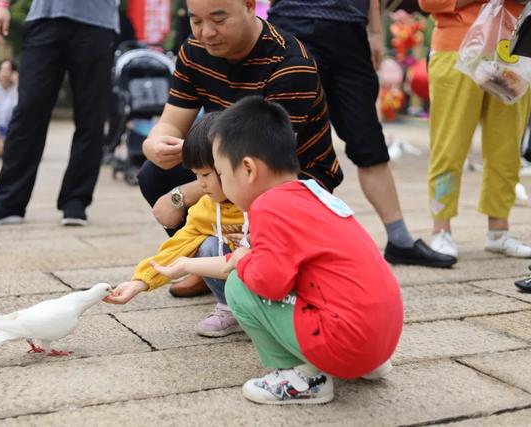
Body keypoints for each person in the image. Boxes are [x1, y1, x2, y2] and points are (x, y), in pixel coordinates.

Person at [150, 97, 403, 405]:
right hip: (380, 343)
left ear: (247, 169)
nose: (221, 186)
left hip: (345, 345)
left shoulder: (269, 207)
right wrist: (188, 265)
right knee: (254, 272)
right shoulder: (309, 193)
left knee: (240, 288)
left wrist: (243, 264)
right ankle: (361, 363)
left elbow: (266, 282)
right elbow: (246, 258)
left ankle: (304, 377)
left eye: (221, 173)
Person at [138, 0, 342, 297]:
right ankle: (204, 263)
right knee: (154, 173)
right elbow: (171, 122)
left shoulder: (289, 63)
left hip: (295, 175)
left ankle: (254, 270)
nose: (206, 32)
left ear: (249, 6)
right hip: (227, 161)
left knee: (196, 187)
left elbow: (265, 162)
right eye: (196, 20)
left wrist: (180, 196)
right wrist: (153, 144)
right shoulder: (194, 51)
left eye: (219, 19)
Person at [266, 0, 456, 268]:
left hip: (351, 30)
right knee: (288, 138)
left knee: (367, 138)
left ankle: (399, 240)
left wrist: (375, 32)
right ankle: (274, 242)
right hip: (294, 22)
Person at [0, 0, 118, 227]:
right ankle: (9, 202)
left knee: (91, 116)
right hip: (44, 18)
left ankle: (75, 200)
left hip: (97, 22)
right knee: (28, 110)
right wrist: (1, 6)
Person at [105, 113, 247, 337]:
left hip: (276, 284)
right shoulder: (208, 208)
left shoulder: (270, 200)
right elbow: (178, 246)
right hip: (240, 273)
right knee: (207, 246)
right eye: (196, 175)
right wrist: (140, 281)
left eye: (205, 174)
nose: (199, 184)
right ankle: (229, 308)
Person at [419, 0, 531, 259]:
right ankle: (441, 228)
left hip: (512, 50)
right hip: (455, 48)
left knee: (507, 148)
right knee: (449, 145)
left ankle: (498, 231)